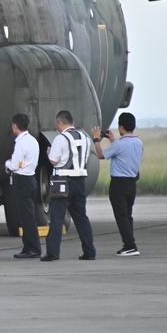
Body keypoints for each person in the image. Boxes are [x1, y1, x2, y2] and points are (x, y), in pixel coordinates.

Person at [43, 110, 96, 262]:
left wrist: (49, 153)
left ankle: (53, 252)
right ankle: (89, 251)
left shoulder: (61, 139)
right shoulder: (85, 138)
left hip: (63, 181)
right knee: (81, 218)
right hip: (80, 180)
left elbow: (53, 161)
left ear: (60, 123)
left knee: (57, 217)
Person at [92, 113, 144, 256]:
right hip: (132, 182)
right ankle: (129, 243)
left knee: (121, 216)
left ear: (121, 127)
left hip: (119, 183)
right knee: (128, 215)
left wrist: (97, 140)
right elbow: (122, 153)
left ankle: (130, 245)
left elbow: (101, 155)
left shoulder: (120, 145)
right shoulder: (139, 143)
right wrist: (113, 141)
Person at [5, 113, 42, 259]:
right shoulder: (33, 140)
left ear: (15, 126)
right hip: (31, 178)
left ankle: (33, 248)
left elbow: (14, 165)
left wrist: (7, 164)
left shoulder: (20, 143)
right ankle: (28, 247)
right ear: (28, 126)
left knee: (27, 217)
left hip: (23, 181)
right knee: (27, 215)